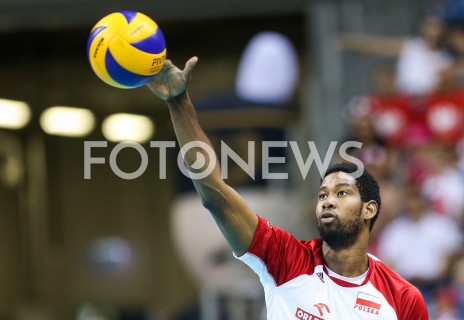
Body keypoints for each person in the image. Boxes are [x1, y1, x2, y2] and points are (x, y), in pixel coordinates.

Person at [145, 57, 429, 319]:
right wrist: (179, 104)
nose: (328, 202)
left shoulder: (402, 297)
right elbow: (215, 194)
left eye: (342, 193)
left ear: (369, 209)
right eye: (323, 195)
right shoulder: (287, 260)